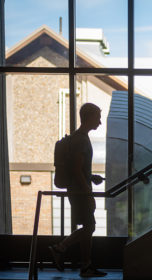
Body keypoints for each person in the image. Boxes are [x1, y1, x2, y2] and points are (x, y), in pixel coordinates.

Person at [49, 103, 107, 278]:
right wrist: (87, 192)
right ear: (89, 117)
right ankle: (63, 250)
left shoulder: (78, 137)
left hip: (78, 189)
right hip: (80, 192)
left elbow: (78, 169)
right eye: (98, 117)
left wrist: (91, 177)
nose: (100, 122)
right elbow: (76, 169)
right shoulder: (81, 139)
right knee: (89, 226)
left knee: (88, 227)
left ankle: (83, 264)